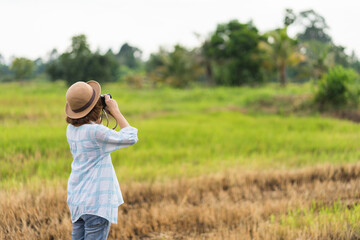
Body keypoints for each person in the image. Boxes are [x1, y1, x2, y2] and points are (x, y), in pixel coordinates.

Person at [64, 80, 138, 240]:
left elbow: (90, 127)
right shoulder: (96, 132)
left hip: (77, 200)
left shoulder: (71, 129)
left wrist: (97, 115)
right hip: (96, 202)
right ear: (96, 107)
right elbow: (131, 137)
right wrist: (115, 111)